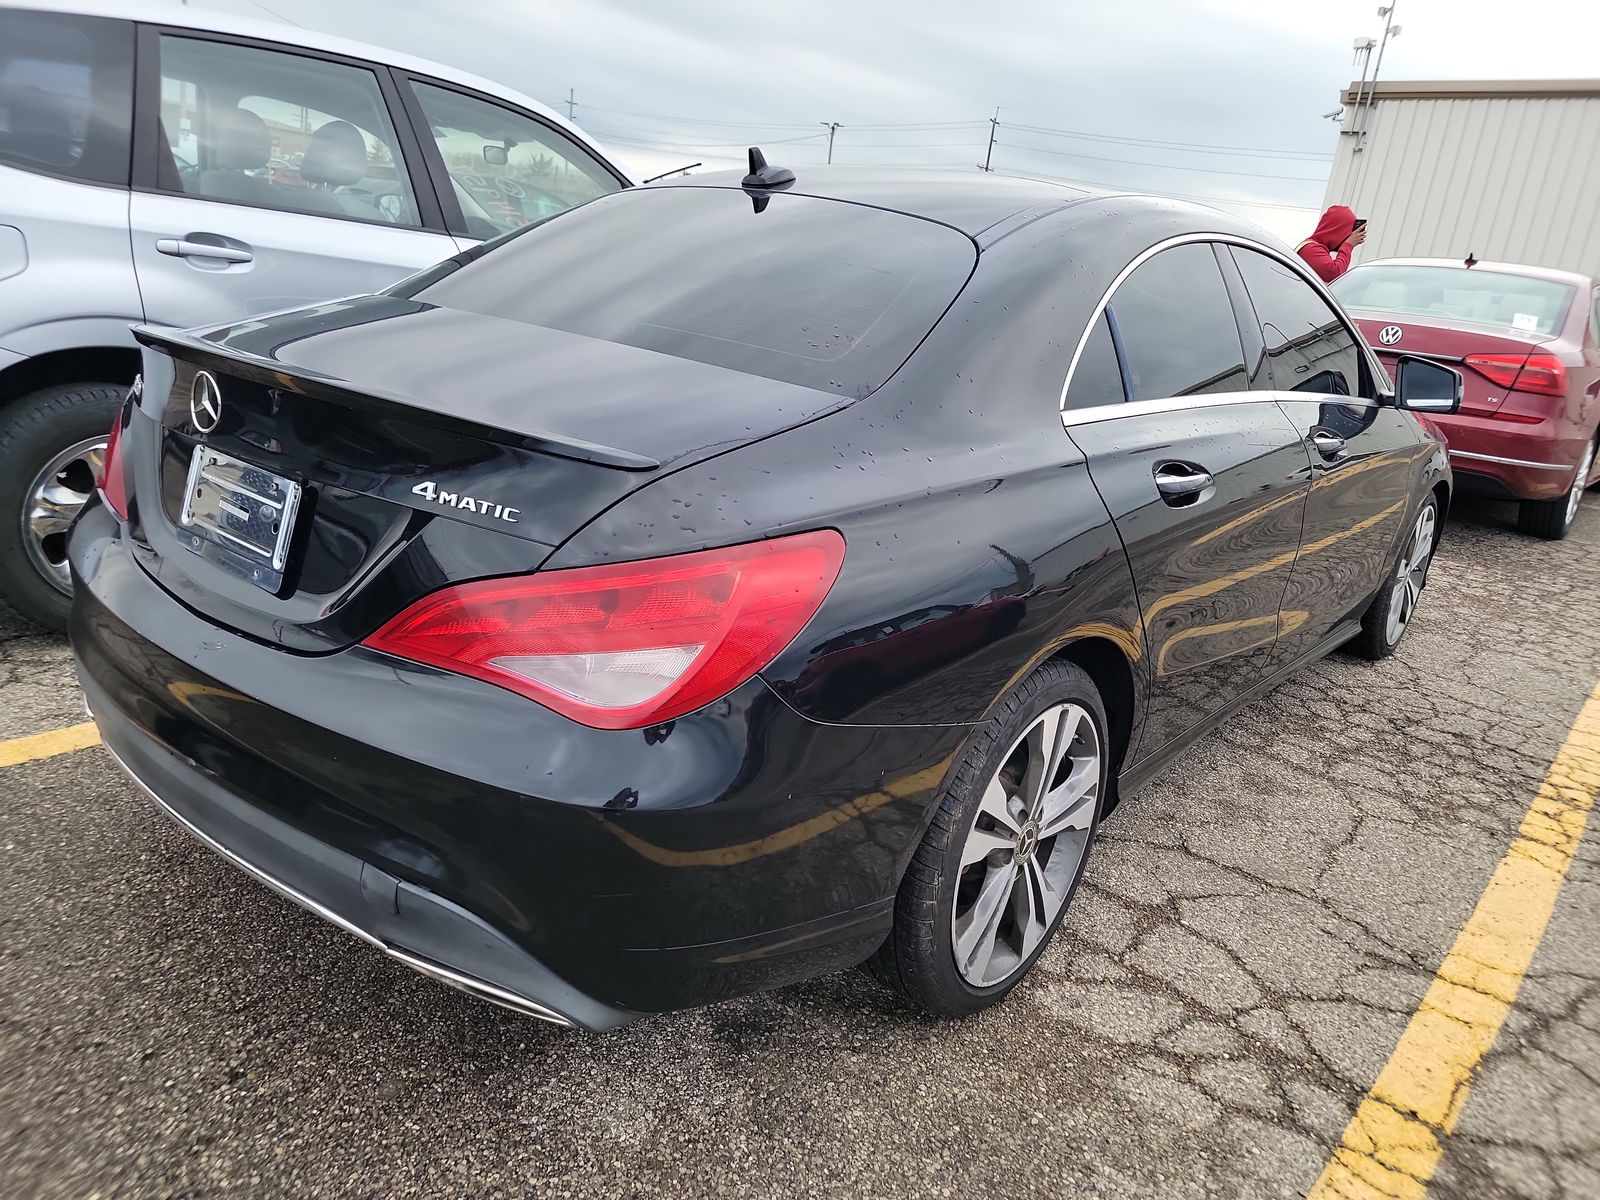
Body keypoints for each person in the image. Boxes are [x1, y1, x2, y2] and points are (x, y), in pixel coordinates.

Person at [1296, 205, 1366, 283]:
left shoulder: (1313, 247)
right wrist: (1348, 245)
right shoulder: (1311, 249)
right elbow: (1335, 274)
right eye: (1347, 235)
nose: (1347, 239)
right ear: (1337, 231)